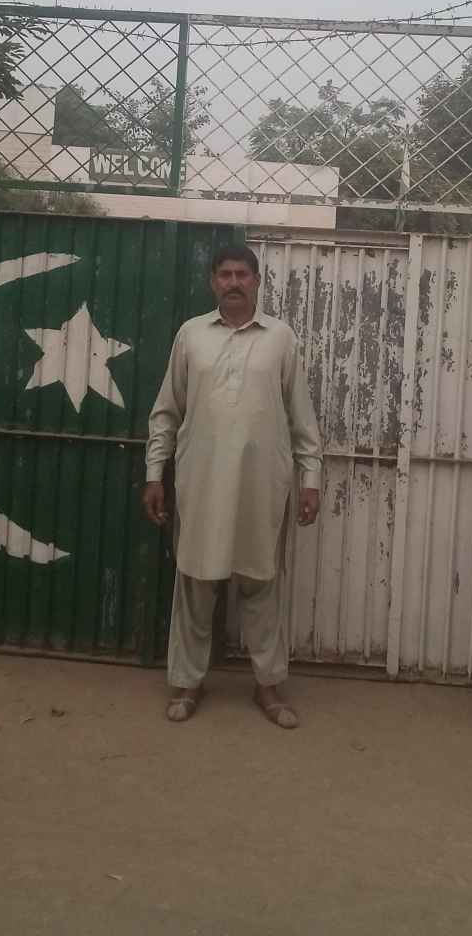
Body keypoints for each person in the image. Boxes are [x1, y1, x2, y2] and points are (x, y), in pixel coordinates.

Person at [143, 245, 323, 727]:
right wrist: (154, 473)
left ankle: (269, 687)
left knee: (262, 584)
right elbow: (166, 411)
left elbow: (301, 417)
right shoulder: (191, 336)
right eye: (225, 274)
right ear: (212, 282)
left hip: (262, 487)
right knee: (195, 583)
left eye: (243, 274)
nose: (234, 282)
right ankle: (187, 683)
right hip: (201, 484)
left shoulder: (280, 338)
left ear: (258, 281)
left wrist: (311, 479)